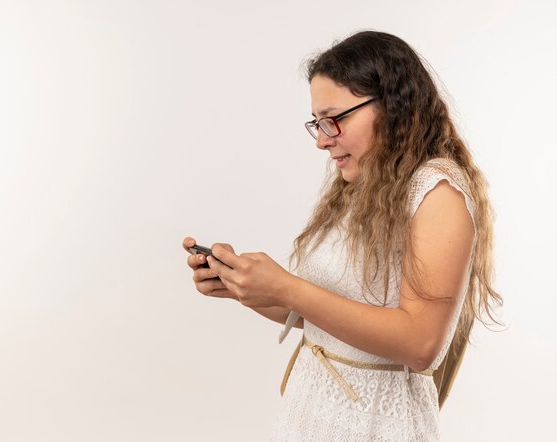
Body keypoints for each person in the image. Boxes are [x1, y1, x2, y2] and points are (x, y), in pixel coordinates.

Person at [182, 30, 502, 441]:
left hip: (376, 423)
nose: (321, 139)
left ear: (392, 105)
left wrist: (287, 288)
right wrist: (245, 284)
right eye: (316, 122)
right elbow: (325, 318)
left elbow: (423, 343)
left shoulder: (437, 192)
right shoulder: (363, 185)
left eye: (334, 119)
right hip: (312, 408)